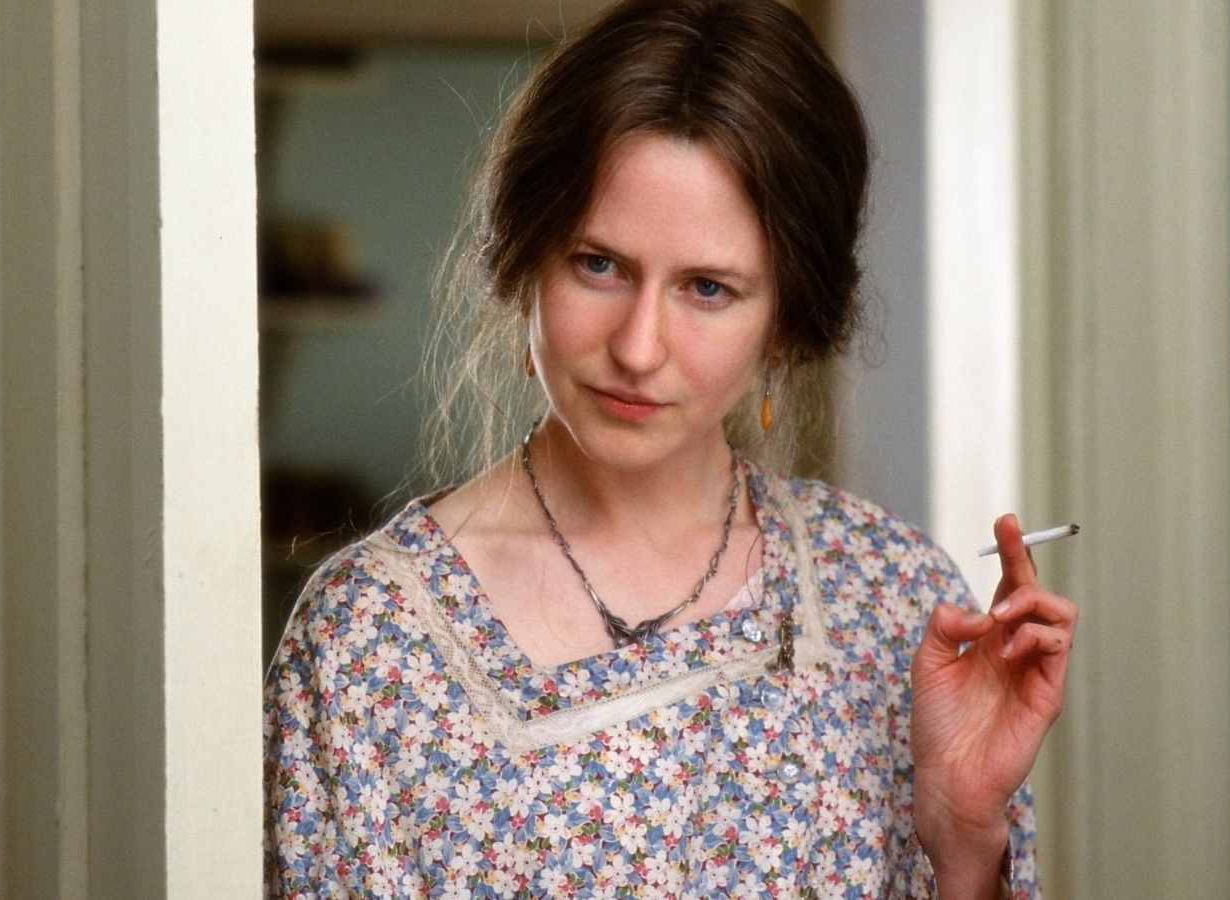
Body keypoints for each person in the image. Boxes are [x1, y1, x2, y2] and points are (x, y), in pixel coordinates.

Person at [264, 0, 1077, 896]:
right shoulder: (369, 642)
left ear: (786, 322)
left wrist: (962, 837)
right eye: (598, 264)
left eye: (707, 288)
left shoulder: (893, 598)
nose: (639, 346)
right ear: (527, 258)